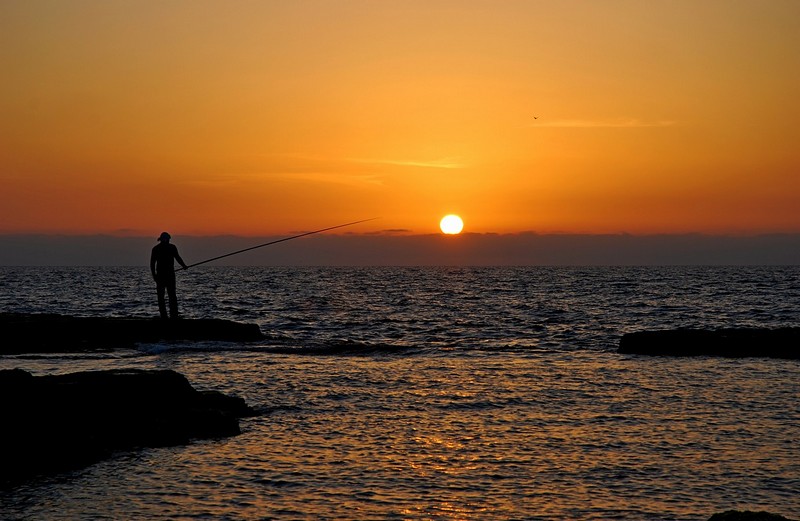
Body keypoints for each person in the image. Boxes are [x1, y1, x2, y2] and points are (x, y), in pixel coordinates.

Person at [150, 232, 188, 319]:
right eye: (167, 239)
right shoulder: (162, 248)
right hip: (164, 275)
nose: (168, 241)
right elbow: (152, 263)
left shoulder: (164, 248)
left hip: (165, 275)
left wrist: (184, 265)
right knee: (166, 296)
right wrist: (154, 275)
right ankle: (168, 315)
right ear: (165, 239)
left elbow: (178, 258)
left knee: (168, 296)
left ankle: (171, 315)